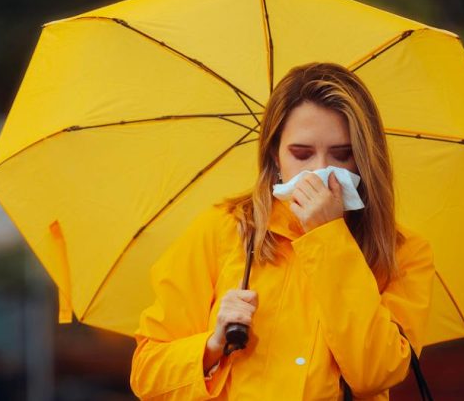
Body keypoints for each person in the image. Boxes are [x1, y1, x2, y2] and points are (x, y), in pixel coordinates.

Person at [129, 62, 435, 400]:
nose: (320, 172)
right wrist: (212, 345)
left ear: (364, 159)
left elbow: (376, 372)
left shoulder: (402, 252)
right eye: (301, 154)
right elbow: (147, 373)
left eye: (342, 155)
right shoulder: (224, 230)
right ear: (275, 155)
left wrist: (329, 237)